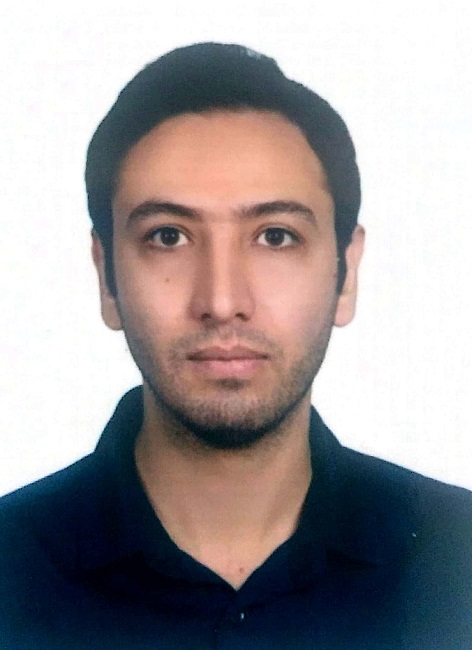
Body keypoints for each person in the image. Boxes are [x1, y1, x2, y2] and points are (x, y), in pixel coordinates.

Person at [0, 42, 470, 650]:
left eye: (275, 237)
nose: (222, 301)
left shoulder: (457, 561)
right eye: (168, 237)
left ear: (346, 274)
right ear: (107, 277)